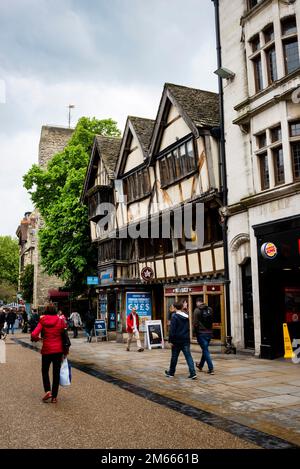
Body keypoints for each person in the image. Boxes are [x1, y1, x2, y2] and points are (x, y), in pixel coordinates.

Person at [31, 304, 69, 403]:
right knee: (56, 373)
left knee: (44, 371)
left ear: (46, 311)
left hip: (47, 350)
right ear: (56, 310)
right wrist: (65, 351)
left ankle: (48, 391)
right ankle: (54, 397)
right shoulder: (60, 320)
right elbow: (64, 335)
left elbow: (34, 334)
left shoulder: (43, 320)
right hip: (58, 350)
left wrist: (38, 338)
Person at [165, 301, 196, 379]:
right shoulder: (186, 316)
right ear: (182, 307)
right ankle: (193, 373)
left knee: (174, 357)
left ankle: (171, 373)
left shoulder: (174, 316)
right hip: (185, 339)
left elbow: (172, 330)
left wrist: (170, 340)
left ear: (175, 308)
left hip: (176, 340)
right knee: (188, 356)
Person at [193, 298, 214, 375]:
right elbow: (212, 320)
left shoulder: (197, 310)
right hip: (209, 333)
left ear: (198, 302)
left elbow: (195, 323)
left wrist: (195, 333)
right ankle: (200, 365)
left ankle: (211, 368)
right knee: (205, 350)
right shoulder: (210, 309)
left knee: (205, 351)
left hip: (201, 333)